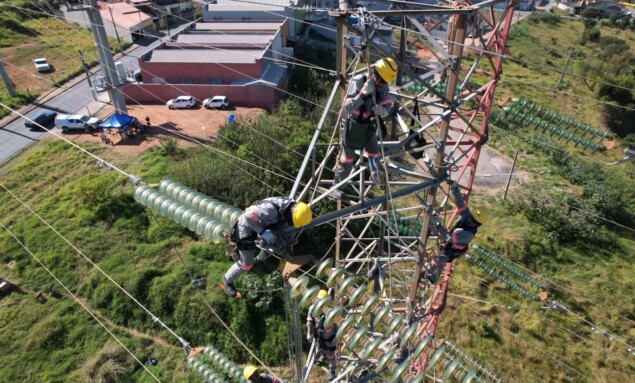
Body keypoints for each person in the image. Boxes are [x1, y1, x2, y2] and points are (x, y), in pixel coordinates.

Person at [332, 57, 397, 199]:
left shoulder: (383, 87)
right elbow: (345, 109)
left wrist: (383, 109)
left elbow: (388, 103)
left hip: (367, 126)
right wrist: (362, 94)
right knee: (347, 159)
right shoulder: (359, 81)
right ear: (375, 75)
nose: (382, 86)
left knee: (375, 155)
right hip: (351, 125)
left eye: (385, 83)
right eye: (381, 82)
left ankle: (377, 177)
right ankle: (336, 187)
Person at [222, 197, 312, 297]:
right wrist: (262, 232)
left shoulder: (292, 207)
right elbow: (247, 217)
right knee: (247, 264)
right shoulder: (270, 210)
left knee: (278, 241)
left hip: (264, 223)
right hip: (246, 226)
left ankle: (259, 260)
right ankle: (227, 280)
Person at [424, 180, 489, 283]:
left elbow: (448, 238)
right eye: (471, 218)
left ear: (478, 225)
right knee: (441, 254)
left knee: (440, 259)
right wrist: (455, 188)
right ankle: (432, 276)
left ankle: (427, 273)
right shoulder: (467, 217)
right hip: (451, 241)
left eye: (474, 222)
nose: (470, 221)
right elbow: (460, 204)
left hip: (454, 249)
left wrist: (438, 224)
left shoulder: (468, 233)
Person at [306, 290, 338, 380]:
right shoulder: (313, 308)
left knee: (331, 354)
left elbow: (337, 326)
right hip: (319, 335)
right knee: (321, 347)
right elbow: (310, 320)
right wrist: (309, 332)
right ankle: (323, 357)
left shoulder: (330, 312)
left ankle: (332, 371)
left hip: (330, 336)